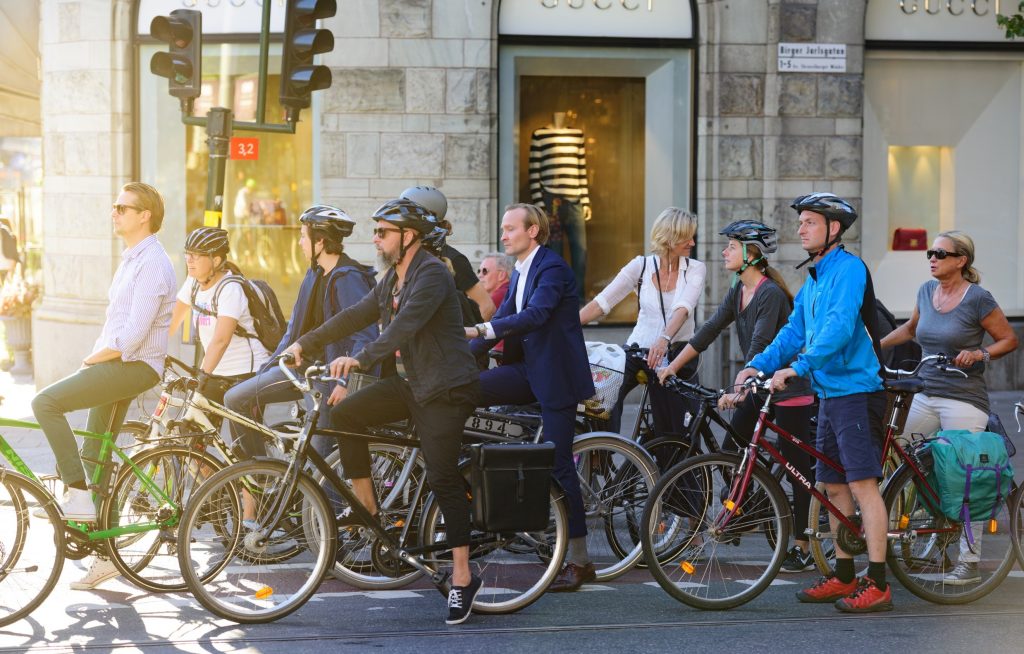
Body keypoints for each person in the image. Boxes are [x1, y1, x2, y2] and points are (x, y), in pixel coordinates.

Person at [285, 198, 482, 625]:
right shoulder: (393, 276)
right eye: (376, 232)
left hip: (445, 389)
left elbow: (401, 328)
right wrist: (305, 343)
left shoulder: (431, 273)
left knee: (442, 474)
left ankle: (464, 577)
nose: (375, 239)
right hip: (412, 384)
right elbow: (356, 314)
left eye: (383, 232)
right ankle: (369, 511)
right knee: (346, 417)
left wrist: (358, 359)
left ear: (408, 237)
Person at [733, 192, 893, 613]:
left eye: (808, 222)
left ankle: (878, 581)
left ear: (833, 229)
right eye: (800, 222)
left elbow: (838, 329)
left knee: (862, 485)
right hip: (828, 394)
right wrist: (758, 364)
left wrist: (799, 367)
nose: (800, 228)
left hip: (857, 392)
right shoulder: (816, 276)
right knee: (834, 485)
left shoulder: (848, 270)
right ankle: (844, 576)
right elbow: (792, 330)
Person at [31, 182, 176, 590]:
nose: (114, 213)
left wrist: (94, 360)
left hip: (133, 366)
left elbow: (131, 337)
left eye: (121, 208)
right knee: (95, 452)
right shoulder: (132, 258)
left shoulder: (153, 264)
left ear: (143, 215)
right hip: (117, 362)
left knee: (45, 403)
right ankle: (105, 552)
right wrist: (93, 359)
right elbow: (115, 324)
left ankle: (75, 494)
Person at [657, 220, 817, 573]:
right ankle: (754, 505)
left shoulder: (769, 294)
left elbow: (760, 345)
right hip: (759, 387)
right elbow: (708, 331)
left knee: (796, 469)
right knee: (732, 450)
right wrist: (672, 364)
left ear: (751, 254)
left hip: (788, 389)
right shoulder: (738, 291)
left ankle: (804, 545)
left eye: (732, 246)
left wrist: (738, 389)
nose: (724, 252)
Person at [467, 203, 596, 592]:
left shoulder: (552, 268)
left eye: (510, 229)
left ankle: (579, 561)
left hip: (554, 378)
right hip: (526, 371)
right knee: (461, 392)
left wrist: (476, 331)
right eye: (503, 229)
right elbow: (501, 325)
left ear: (533, 231)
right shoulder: (522, 270)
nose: (504, 235)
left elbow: (536, 315)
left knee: (560, 464)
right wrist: (457, 362)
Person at [879, 230, 1018, 584]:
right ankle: (923, 519)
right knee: (894, 448)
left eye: (941, 253)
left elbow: (1009, 339)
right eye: (931, 252)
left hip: (964, 398)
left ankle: (968, 561)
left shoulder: (978, 299)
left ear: (961, 261)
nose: (933, 258)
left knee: (965, 473)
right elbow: (910, 329)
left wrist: (980, 353)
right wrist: (873, 348)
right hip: (925, 392)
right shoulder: (926, 292)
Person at [224, 205, 377, 460]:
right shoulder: (313, 274)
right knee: (236, 398)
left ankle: (327, 500)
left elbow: (365, 334)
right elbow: (293, 329)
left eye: (303, 237)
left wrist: (344, 381)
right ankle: (259, 475)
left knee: (319, 463)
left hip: (327, 380)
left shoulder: (348, 278)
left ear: (321, 241)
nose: (299, 243)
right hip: (298, 370)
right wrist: (268, 367)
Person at [578, 207, 705, 439]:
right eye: (687, 236)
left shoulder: (695, 269)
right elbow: (602, 303)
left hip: (676, 353)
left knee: (673, 429)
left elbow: (683, 308)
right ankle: (604, 450)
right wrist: (567, 327)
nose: (692, 242)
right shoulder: (641, 266)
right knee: (602, 392)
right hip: (639, 349)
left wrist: (664, 339)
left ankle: (669, 465)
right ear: (670, 238)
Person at [168, 227, 270, 405]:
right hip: (215, 371)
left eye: (197, 255)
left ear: (215, 260)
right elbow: (170, 323)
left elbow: (221, 340)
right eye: (187, 254)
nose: (189, 260)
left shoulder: (230, 289)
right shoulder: (193, 282)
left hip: (245, 372)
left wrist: (202, 376)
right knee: (194, 427)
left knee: (243, 432)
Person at [399, 186, 497, 321]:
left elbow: (486, 307)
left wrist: (466, 339)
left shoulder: (453, 259)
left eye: (408, 217)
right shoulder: (405, 257)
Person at [0, 217, 18, 284]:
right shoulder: (11, 236)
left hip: (6, 264)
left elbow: (13, 251)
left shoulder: (10, 236)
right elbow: (14, 252)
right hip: (7, 264)